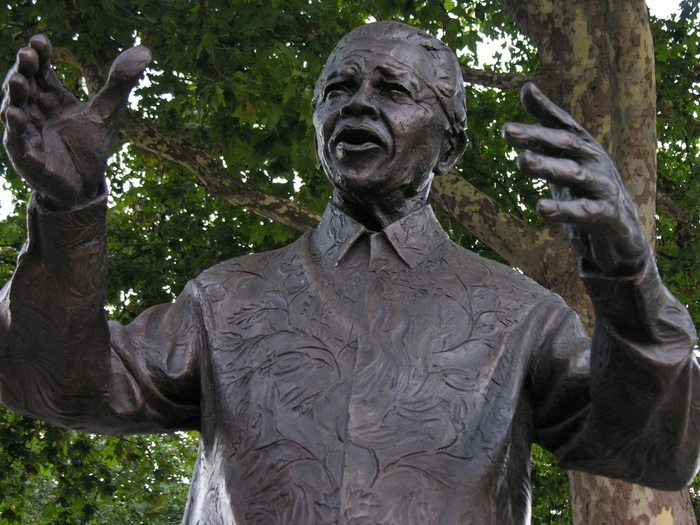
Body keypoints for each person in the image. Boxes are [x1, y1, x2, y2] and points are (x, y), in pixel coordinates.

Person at [1, 20, 698, 525]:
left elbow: (657, 444)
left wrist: (627, 272)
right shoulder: (226, 298)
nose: (359, 102)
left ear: (450, 146)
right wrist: (68, 209)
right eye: (339, 88)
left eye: (393, 89)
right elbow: (62, 382)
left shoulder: (521, 315)